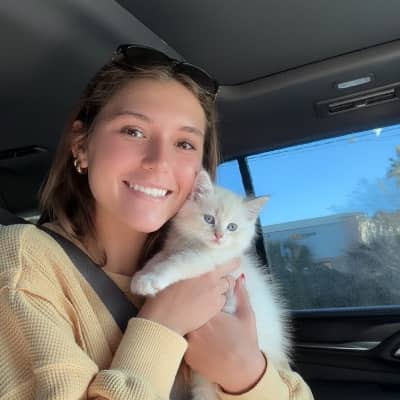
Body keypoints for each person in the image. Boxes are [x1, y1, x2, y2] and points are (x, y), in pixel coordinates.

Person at [0, 44, 314, 399]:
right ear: (82, 146)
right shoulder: (21, 261)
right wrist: (162, 324)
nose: (159, 161)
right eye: (133, 131)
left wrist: (246, 373)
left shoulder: (218, 268)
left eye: (184, 143)